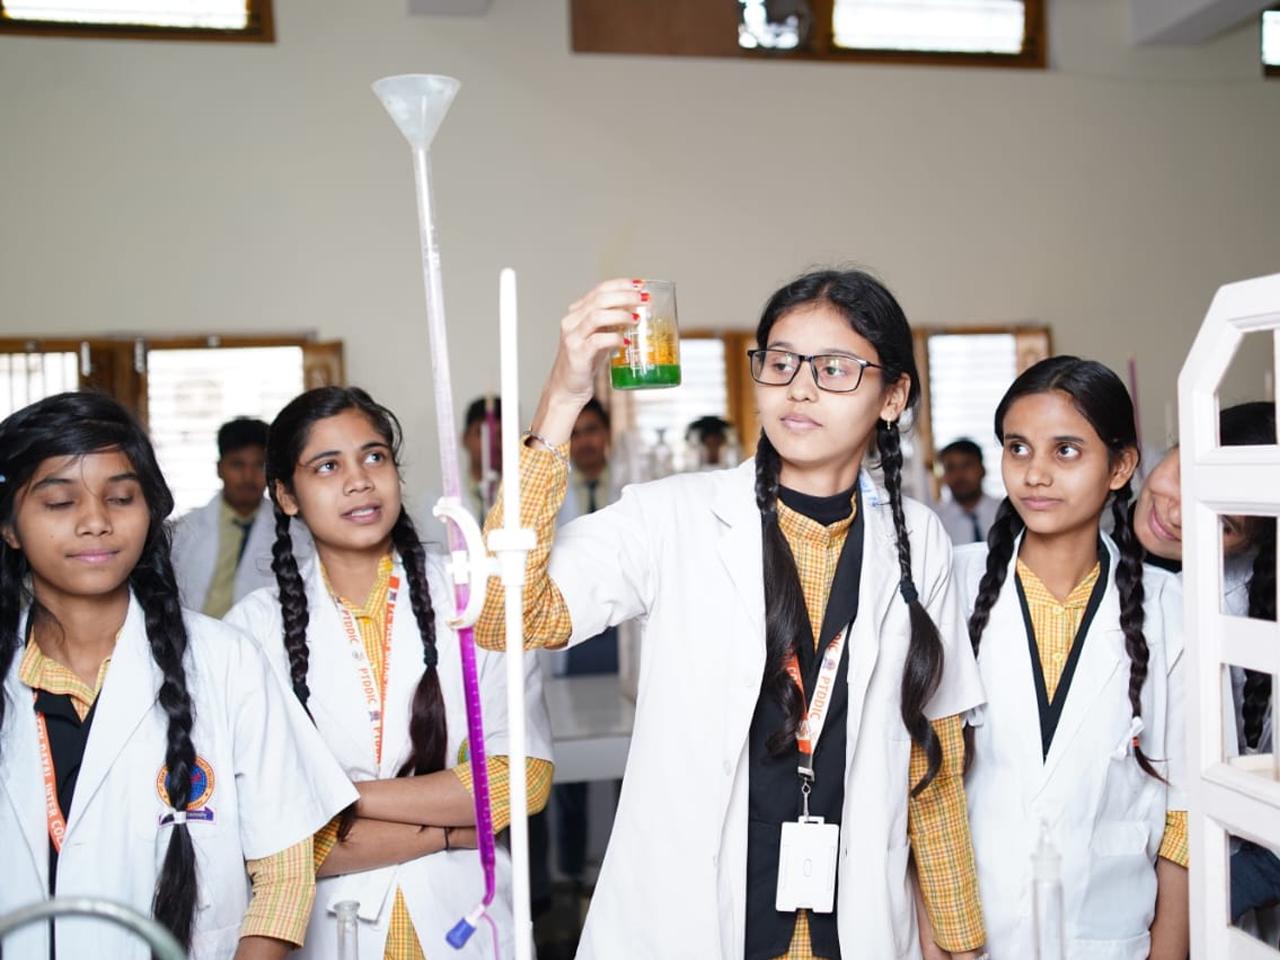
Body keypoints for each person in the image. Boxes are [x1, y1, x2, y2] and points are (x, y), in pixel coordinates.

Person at [478, 271, 987, 959]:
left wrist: (958, 940)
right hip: (689, 927)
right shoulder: (672, 516)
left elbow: (935, 760)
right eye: (781, 363)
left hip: (856, 928)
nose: (799, 388)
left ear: (893, 396)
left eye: (834, 369)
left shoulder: (918, 538)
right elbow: (505, 617)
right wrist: (562, 397)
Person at [0, 392, 354, 960]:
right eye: (60, 502)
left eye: (121, 498)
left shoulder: (226, 662)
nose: (96, 522)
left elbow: (284, 879)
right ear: (10, 527)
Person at [225, 386, 554, 960]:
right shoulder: (251, 632)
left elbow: (521, 780)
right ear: (286, 496)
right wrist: (450, 828)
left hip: (466, 920)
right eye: (328, 466)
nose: (359, 481)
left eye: (373, 457)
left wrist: (337, 798)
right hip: (328, 931)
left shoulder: (475, 595)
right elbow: (266, 837)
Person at [956, 357, 1188, 959]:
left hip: (1109, 937)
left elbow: (1185, 819)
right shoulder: (949, 584)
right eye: (1018, 448)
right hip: (972, 935)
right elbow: (918, 792)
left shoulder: (1171, 608)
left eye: (1065, 451)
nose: (1035, 474)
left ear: (1121, 466)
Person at [1133, 400, 1278, 927]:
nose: (1177, 514)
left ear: (1246, 548)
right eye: (1184, 475)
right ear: (1173, 447)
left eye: (1225, 525)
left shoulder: (1231, 612)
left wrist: (1187, 905)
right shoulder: (1089, 532)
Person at [171, 417, 310, 617]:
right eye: (237, 465)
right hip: (193, 633)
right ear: (219, 468)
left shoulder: (298, 536)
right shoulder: (182, 531)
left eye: (259, 465)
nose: (248, 476)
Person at [932, 439, 1000, 545]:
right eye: (951, 468)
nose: (959, 475)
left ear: (982, 470)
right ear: (944, 476)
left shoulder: (1007, 513)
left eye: (967, 465)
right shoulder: (935, 522)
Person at [460, 395, 502, 522]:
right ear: (465, 438)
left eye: (500, 434)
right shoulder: (437, 500)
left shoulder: (525, 498)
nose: (492, 443)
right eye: (482, 433)